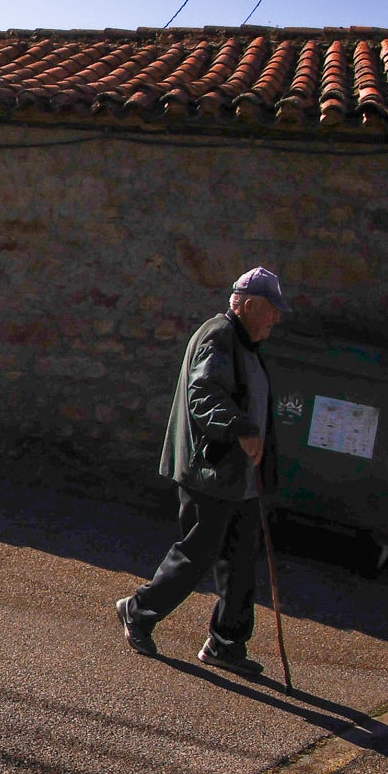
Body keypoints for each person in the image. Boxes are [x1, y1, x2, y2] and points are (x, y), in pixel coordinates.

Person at [117, 267, 286, 677]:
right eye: (271, 312)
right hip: (209, 471)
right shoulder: (219, 336)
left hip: (240, 478)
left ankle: (227, 643)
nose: (276, 320)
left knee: (242, 561)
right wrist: (242, 428)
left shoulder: (245, 341)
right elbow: (203, 394)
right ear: (248, 306)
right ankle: (137, 611)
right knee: (198, 552)